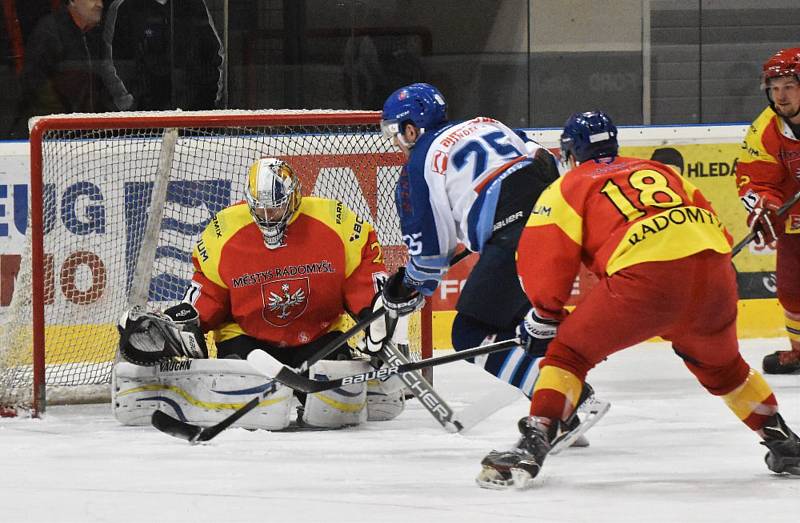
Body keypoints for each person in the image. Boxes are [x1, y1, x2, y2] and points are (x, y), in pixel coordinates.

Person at [476, 111, 800, 490]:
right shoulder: (662, 172)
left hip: (645, 280)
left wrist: (545, 315)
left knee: (568, 356)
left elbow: (545, 258)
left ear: (569, 153)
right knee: (725, 368)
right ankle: (783, 441)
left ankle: (534, 442)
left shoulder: (570, 184)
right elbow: (716, 229)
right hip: (715, 276)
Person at [378, 83, 606, 443]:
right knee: (522, 323)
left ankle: (569, 402)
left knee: (468, 333)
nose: (396, 142)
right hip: (559, 219)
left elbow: (428, 259)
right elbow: (544, 161)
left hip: (518, 234)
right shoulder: (488, 123)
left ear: (411, 129)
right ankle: (560, 414)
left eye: (395, 132)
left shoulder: (418, 165)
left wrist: (406, 287)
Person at [116, 158, 398, 429]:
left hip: (319, 338)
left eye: (274, 208)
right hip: (248, 342)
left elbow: (361, 274)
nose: (267, 217)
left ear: (294, 196)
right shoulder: (224, 231)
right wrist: (184, 322)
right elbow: (210, 294)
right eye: (259, 209)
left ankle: (353, 383)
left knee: (335, 409)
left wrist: (373, 310)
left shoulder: (336, 221)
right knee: (244, 397)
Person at [736, 47, 800, 374]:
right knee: (791, 290)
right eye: (774, 88)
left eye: (788, 86)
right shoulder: (766, 127)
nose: (780, 96)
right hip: (796, 219)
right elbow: (752, 176)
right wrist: (765, 206)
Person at [12, 0, 114, 134]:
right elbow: (34, 87)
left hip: (85, 133)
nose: (99, 5)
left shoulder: (96, 37)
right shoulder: (49, 32)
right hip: (52, 134)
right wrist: (66, 122)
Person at [103, 0, 224, 110]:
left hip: (191, 115)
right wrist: (131, 104)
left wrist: (207, 103)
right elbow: (112, 62)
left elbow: (215, 55)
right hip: (144, 117)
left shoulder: (194, 4)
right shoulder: (124, 7)